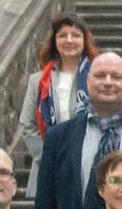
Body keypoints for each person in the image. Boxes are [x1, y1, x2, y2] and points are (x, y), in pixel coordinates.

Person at [31, 51, 122, 209]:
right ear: (87, 81)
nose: (108, 82)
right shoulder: (59, 136)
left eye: (116, 77)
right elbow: (45, 206)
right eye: (100, 76)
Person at [19, 15, 99, 199]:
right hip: (49, 168)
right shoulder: (38, 81)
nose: (69, 40)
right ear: (54, 41)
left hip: (88, 166)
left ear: (84, 40)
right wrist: (50, 158)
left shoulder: (98, 78)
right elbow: (27, 124)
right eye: (62, 35)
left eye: (75, 35)